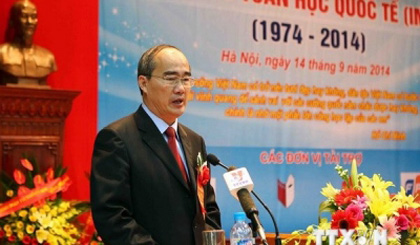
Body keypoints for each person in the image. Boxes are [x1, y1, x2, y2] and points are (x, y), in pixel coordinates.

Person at [90, 44, 221, 245]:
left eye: (186, 79)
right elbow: (112, 218)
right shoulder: (117, 138)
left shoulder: (195, 141)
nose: (181, 88)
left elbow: (208, 209)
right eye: (170, 79)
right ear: (143, 83)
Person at [0, 0, 57, 86]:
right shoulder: (2, 54)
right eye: (24, 16)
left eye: (33, 17)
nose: (29, 22)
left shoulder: (48, 57)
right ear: (12, 21)